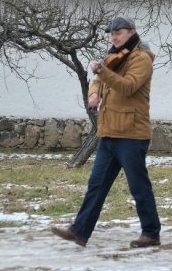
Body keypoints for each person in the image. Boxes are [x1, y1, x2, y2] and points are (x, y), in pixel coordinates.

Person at [51, 16, 161, 248]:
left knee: (138, 186)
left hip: (131, 134)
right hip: (109, 132)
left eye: (118, 32)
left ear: (132, 32)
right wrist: (94, 92)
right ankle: (79, 232)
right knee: (96, 185)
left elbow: (127, 86)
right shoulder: (115, 55)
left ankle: (151, 233)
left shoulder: (142, 58)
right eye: (111, 33)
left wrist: (102, 72)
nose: (114, 37)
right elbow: (99, 81)